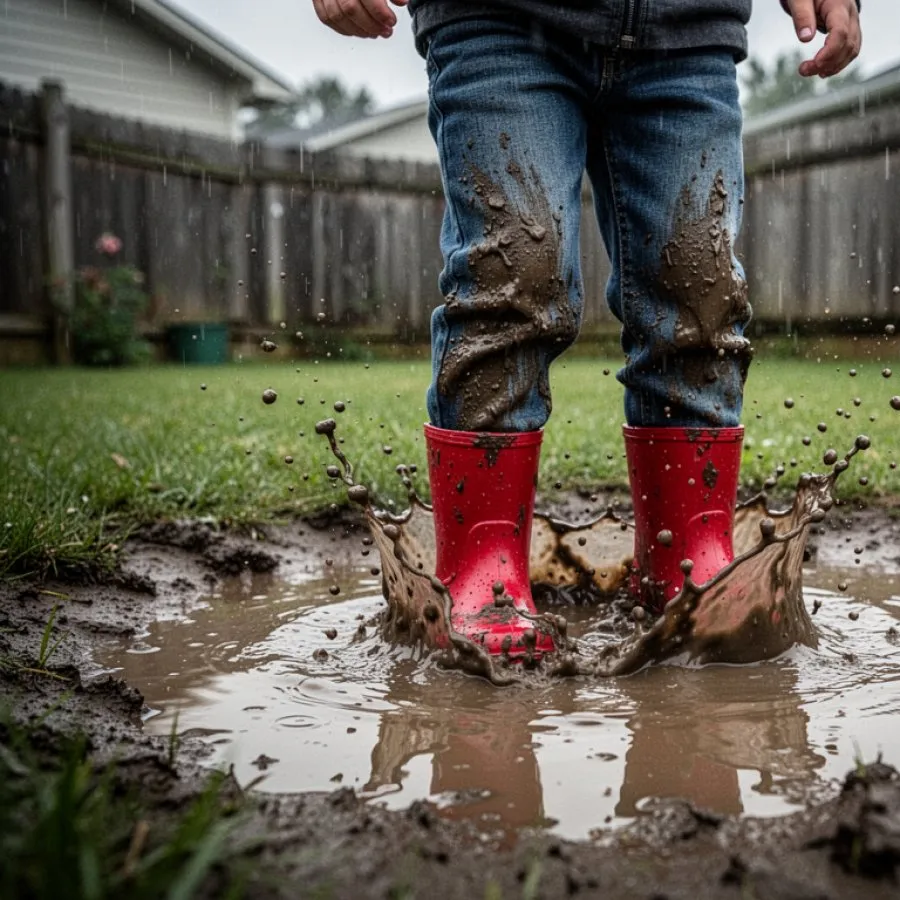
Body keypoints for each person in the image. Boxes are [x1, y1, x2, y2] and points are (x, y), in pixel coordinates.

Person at [312, 0, 862, 659]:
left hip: (687, 29)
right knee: (513, 274)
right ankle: (482, 570)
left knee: (700, 291)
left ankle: (686, 568)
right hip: (499, 20)